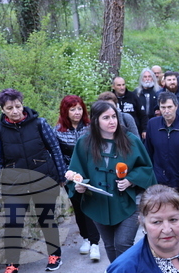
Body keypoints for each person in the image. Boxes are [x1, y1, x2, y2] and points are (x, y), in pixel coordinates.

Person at [0, 88, 68, 273]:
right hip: (14, 183)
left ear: (22, 104)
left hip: (43, 178)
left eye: (18, 106)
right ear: (2, 109)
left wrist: (62, 176)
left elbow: (55, 149)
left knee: (46, 219)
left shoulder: (39, 124)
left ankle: (54, 254)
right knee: (13, 223)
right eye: (9, 108)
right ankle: (12, 265)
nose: (15, 111)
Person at [66, 100, 155, 263]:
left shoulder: (131, 140)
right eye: (106, 118)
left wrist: (130, 180)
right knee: (109, 245)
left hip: (129, 202)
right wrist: (79, 185)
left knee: (122, 244)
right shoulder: (85, 143)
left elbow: (146, 169)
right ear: (95, 120)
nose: (112, 121)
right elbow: (76, 172)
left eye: (114, 116)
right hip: (99, 203)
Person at [54, 95, 101, 262]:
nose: (77, 112)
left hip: (90, 173)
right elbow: (57, 156)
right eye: (72, 109)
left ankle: (95, 242)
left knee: (90, 206)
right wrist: (65, 175)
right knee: (78, 207)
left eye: (79, 108)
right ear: (65, 111)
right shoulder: (58, 131)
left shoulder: (91, 128)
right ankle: (86, 238)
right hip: (70, 176)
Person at [145, 92, 179, 228]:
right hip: (159, 177)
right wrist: (150, 176)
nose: (166, 111)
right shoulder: (153, 124)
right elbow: (148, 152)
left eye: (169, 107)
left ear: (176, 106)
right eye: (163, 107)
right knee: (160, 209)